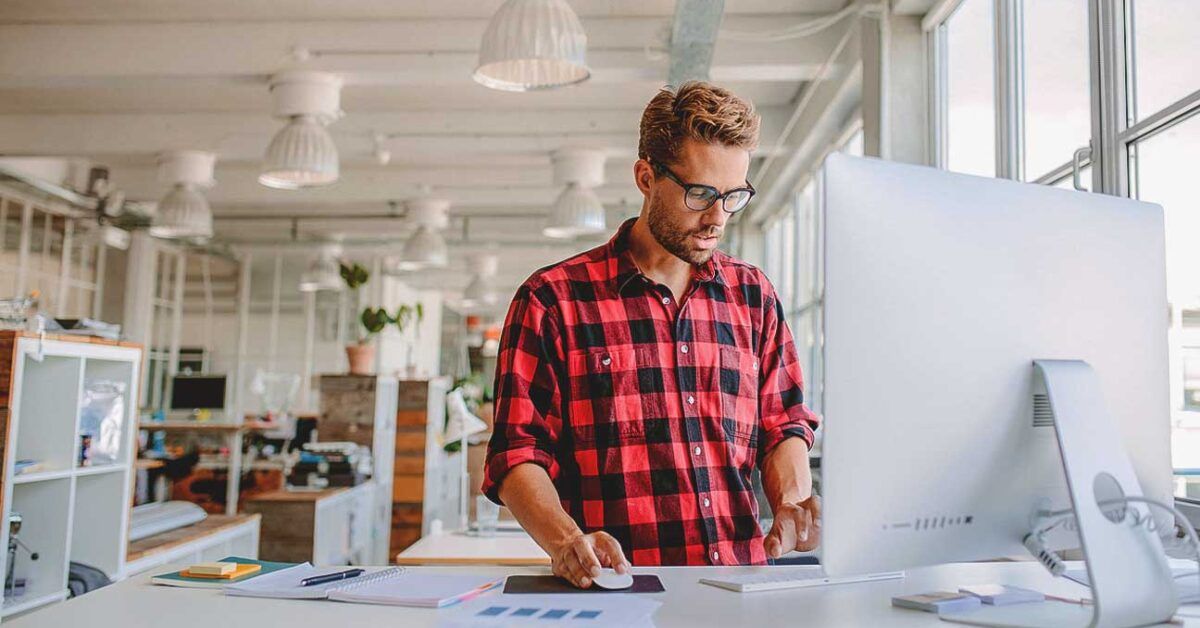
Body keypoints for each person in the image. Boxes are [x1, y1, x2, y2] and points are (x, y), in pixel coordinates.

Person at [482, 81, 821, 588]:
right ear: (646, 176)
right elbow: (517, 452)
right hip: (615, 591)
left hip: (740, 588)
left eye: (734, 196)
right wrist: (564, 540)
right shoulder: (552, 300)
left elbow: (783, 423)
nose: (717, 218)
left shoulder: (753, 297)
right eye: (701, 193)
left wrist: (792, 502)